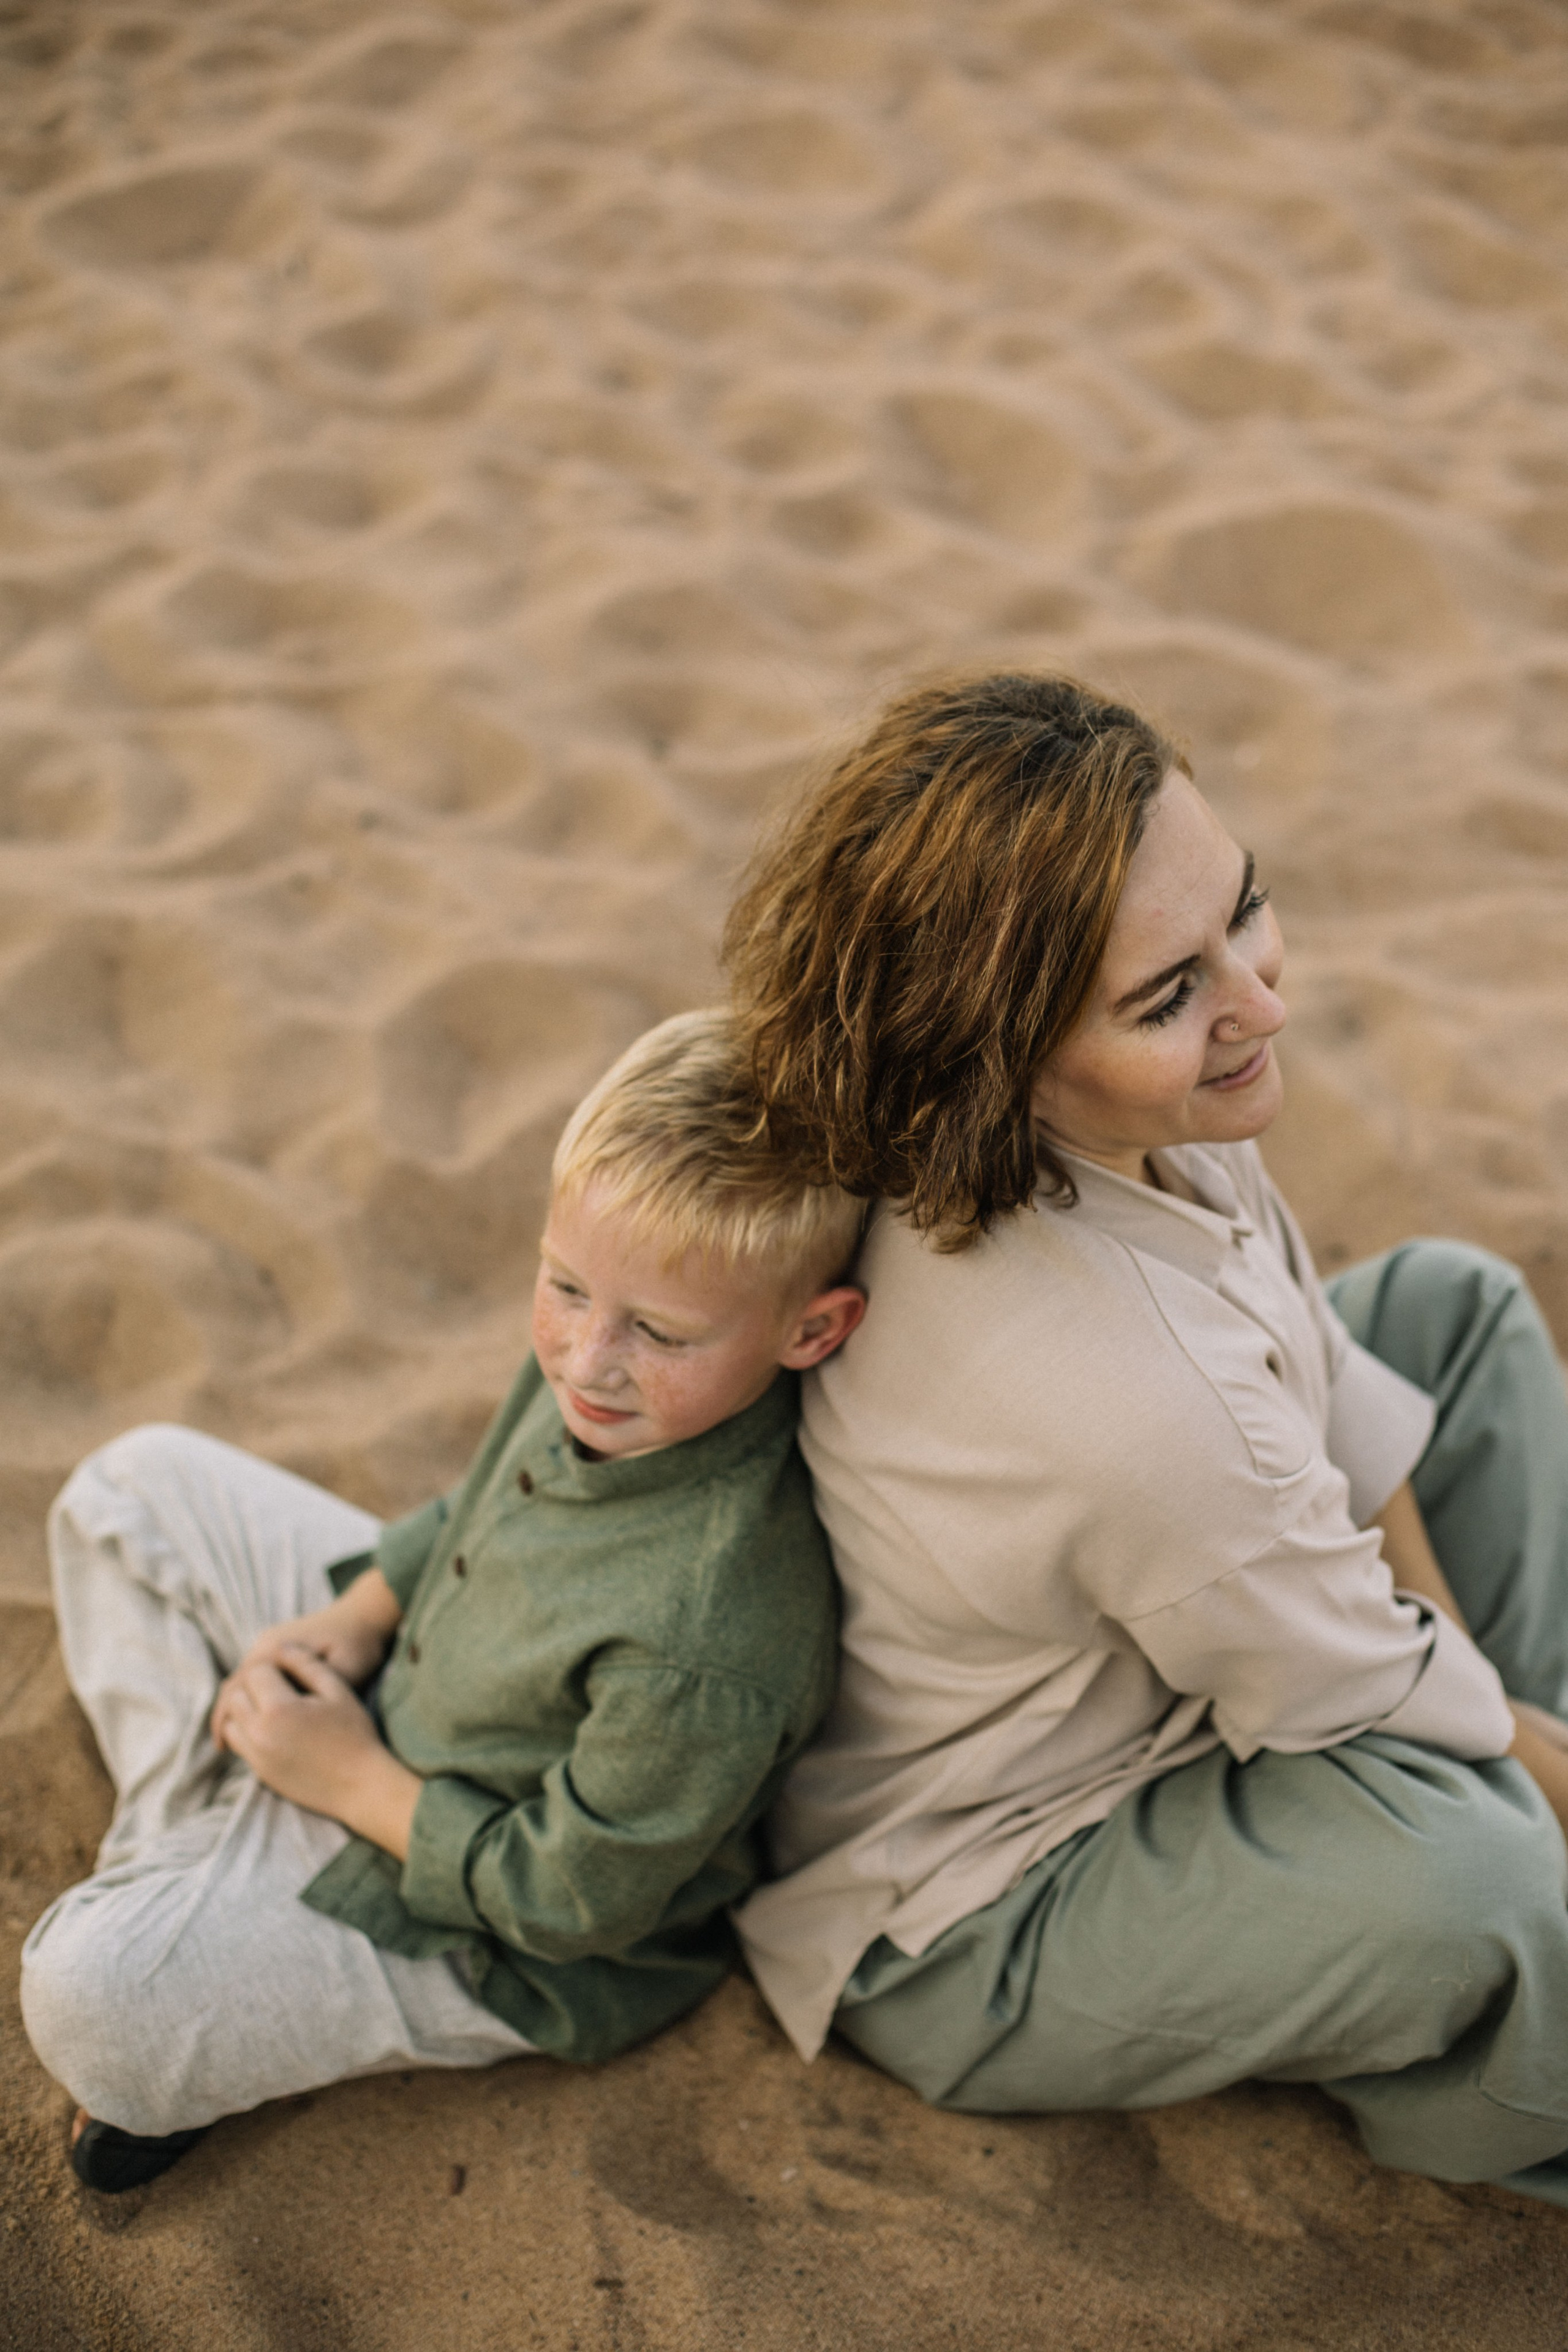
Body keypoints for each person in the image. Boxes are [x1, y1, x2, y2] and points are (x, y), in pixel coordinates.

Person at [723, 671, 1568, 2207]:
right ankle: (1509, 2102)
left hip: (1176, 1632)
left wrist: (1489, 1702)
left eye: (1242, 912)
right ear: (1000, 1054)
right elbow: (1345, 1658)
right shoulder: (1132, 1403)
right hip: (978, 1898)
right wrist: (1507, 1752)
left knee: (1449, 1307)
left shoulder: (1137, 1133)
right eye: (1166, 996)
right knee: (1486, 1886)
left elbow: (1322, 1400)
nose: (1258, 1002)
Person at [22, 1011, 864, 2193]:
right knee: (128, 1489)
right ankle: (200, 1838)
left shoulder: (711, 1635)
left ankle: (219, 1851)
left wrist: (347, 1781)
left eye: (656, 1332)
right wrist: (352, 1618)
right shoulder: (622, 1363)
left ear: (811, 1331)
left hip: (482, 1923)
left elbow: (570, 1898)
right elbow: (481, 1503)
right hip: (413, 1673)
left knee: (89, 1994)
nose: (585, 1362)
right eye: (564, 1287)